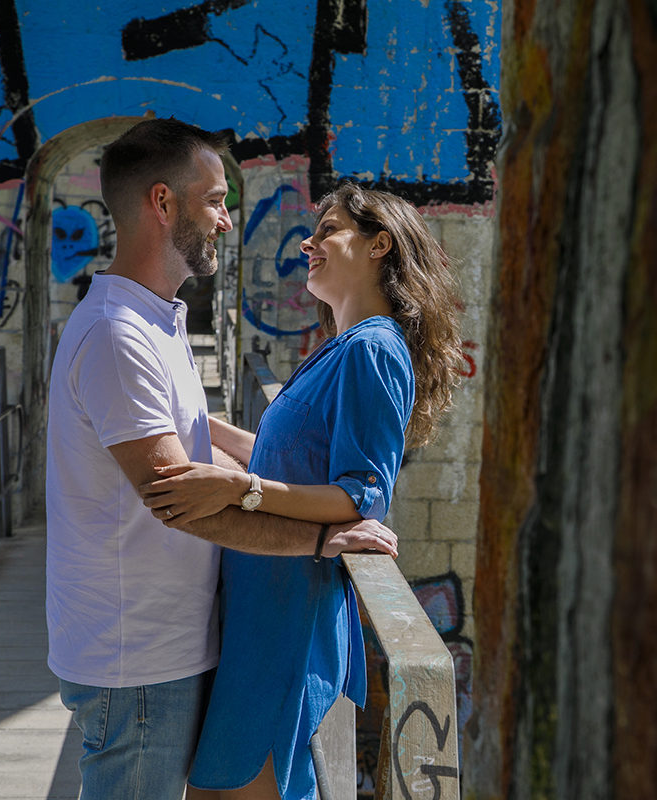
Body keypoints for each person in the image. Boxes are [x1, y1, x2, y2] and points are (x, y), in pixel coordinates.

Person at [45, 120, 397, 800]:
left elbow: (195, 445)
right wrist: (320, 538)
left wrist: (264, 484)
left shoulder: (158, 320)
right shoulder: (120, 333)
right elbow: (182, 502)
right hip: (137, 656)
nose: (228, 221)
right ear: (163, 203)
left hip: (168, 642)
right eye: (214, 200)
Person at [137, 183, 464, 799]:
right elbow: (281, 451)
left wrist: (243, 489)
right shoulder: (340, 347)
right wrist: (183, 420)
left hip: (286, 619)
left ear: (379, 245)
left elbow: (359, 496)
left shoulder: (373, 348)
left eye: (331, 229)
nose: (309, 242)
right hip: (262, 606)